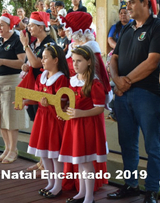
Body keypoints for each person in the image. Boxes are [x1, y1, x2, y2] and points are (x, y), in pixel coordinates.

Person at [108, 0, 160, 203]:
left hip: (148, 95)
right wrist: (117, 79)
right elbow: (113, 58)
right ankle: (131, 184)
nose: (128, 6)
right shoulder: (126, 29)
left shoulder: (159, 27)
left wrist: (125, 82)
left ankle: (151, 190)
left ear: (146, 4)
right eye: (127, 2)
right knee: (127, 142)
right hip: (123, 94)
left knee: (153, 145)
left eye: (133, 2)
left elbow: (153, 61)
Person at [59, 45, 107, 203]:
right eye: (73, 61)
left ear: (89, 62)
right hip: (74, 126)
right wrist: (65, 111)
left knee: (86, 162)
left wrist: (81, 113)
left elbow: (100, 108)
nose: (75, 64)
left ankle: (89, 197)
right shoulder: (73, 81)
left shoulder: (94, 83)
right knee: (79, 160)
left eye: (79, 61)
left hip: (87, 126)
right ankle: (82, 193)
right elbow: (71, 103)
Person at [20, 44, 69, 198]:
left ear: (55, 60)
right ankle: (50, 182)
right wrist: (25, 101)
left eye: (45, 57)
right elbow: (37, 97)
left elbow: (64, 101)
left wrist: (52, 102)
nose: (42, 60)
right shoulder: (42, 76)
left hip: (54, 120)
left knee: (54, 154)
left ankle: (58, 185)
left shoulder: (61, 78)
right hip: (42, 118)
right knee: (45, 154)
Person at [20, 11, 57, 175]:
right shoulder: (37, 44)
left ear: (41, 27)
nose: (28, 28)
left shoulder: (49, 44)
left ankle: (46, 164)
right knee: (38, 125)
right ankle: (42, 161)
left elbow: (36, 63)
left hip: (47, 91)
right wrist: (25, 66)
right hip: (37, 88)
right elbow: (31, 63)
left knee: (44, 127)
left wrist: (25, 45)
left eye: (32, 25)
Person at [0, 13, 26, 163]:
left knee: (11, 118)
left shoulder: (17, 41)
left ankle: (13, 149)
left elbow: (21, 62)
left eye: (2, 25)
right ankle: (7, 147)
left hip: (11, 82)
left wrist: (2, 61)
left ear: (10, 26)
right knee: (1, 118)